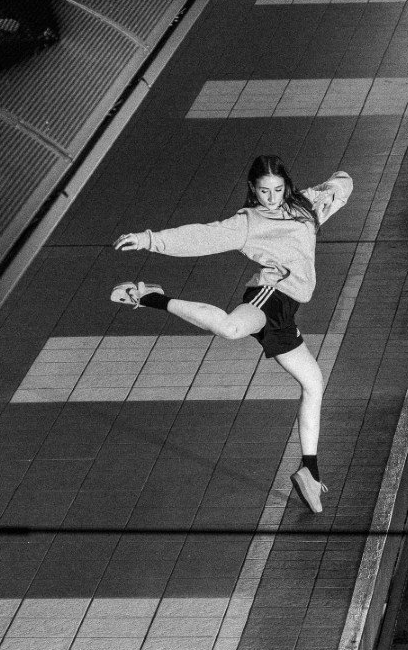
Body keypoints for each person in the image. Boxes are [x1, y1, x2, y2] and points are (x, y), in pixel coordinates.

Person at [111, 154, 352, 513]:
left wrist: (339, 179)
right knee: (230, 328)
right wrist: (149, 240)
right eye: (264, 191)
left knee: (314, 385)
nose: (272, 198)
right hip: (270, 295)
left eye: (278, 190)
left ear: (287, 186)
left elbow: (342, 186)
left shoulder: (306, 207)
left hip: (287, 313)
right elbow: (200, 237)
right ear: (252, 191)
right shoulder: (248, 222)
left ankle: (309, 471)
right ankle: (151, 298)